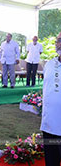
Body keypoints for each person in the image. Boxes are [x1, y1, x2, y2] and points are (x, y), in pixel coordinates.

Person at [40, 32, 61, 166]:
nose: (60, 43)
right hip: (49, 126)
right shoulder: (49, 65)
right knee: (51, 161)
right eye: (58, 40)